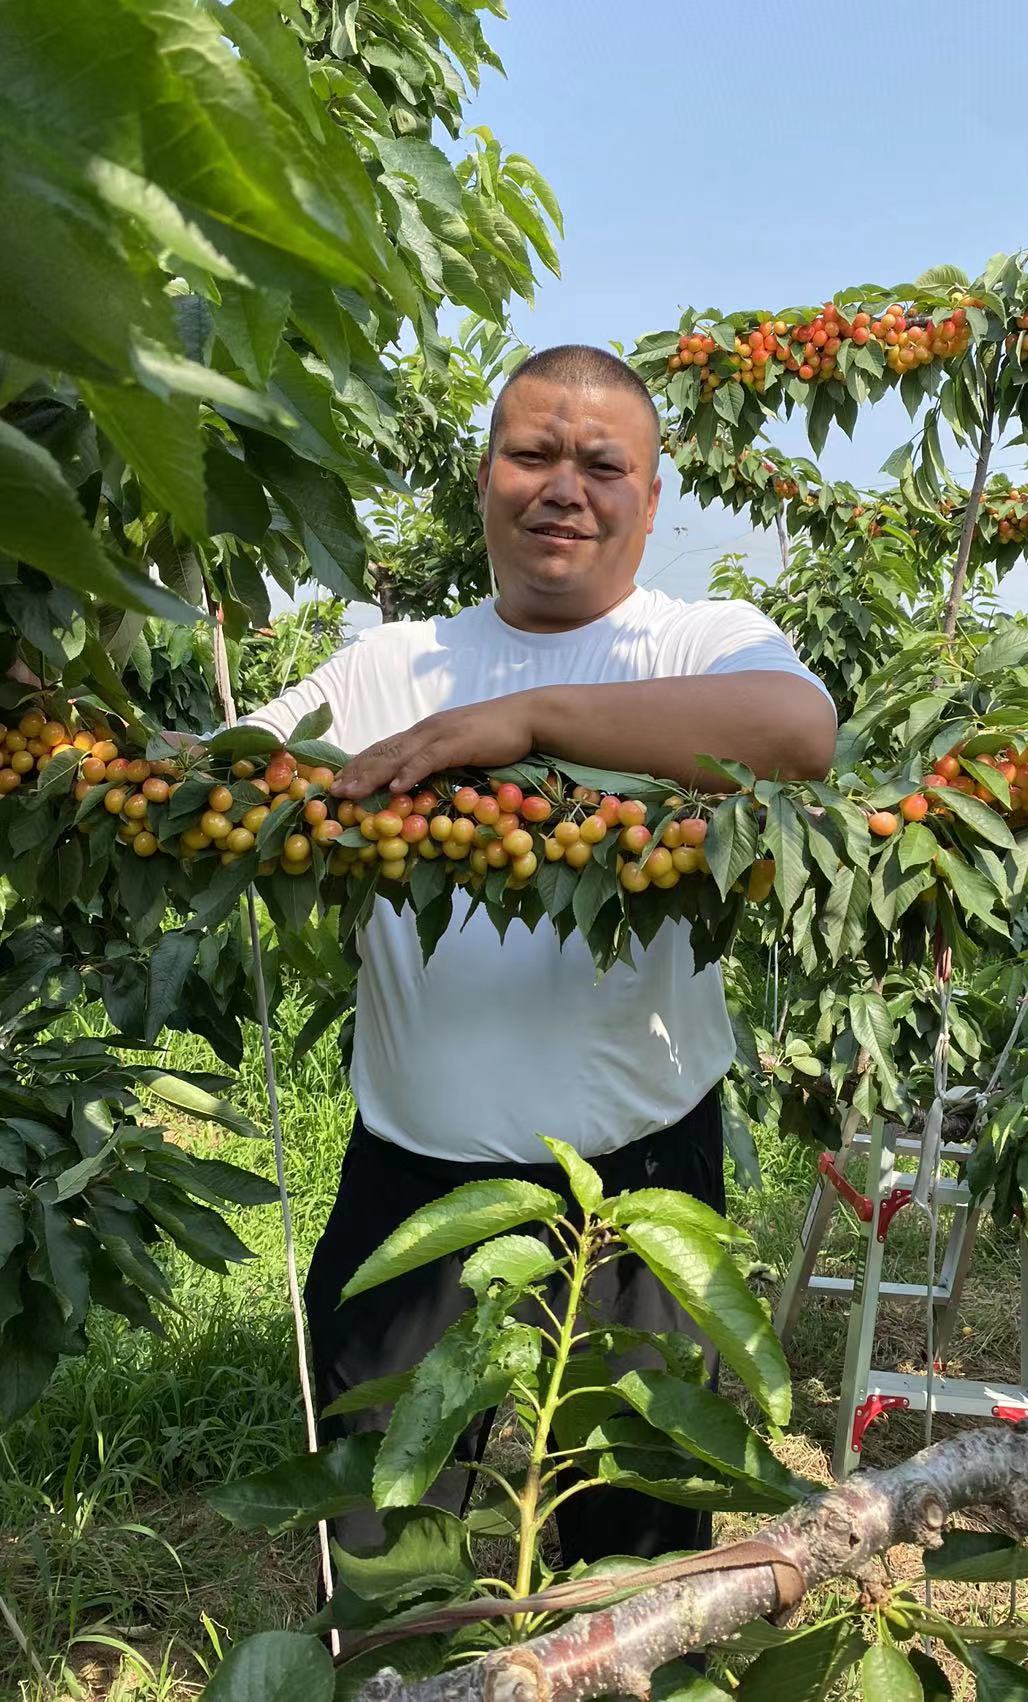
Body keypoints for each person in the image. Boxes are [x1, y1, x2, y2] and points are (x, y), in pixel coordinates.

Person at [245, 345, 836, 1570]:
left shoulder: (697, 641)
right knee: (377, 1531)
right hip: (408, 1169)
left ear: (650, 497)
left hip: (635, 1181)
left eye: (601, 463)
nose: (564, 485)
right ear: (483, 478)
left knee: (637, 1545)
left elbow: (795, 730)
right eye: (532, 453)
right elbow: (220, 772)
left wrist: (529, 718)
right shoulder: (390, 665)